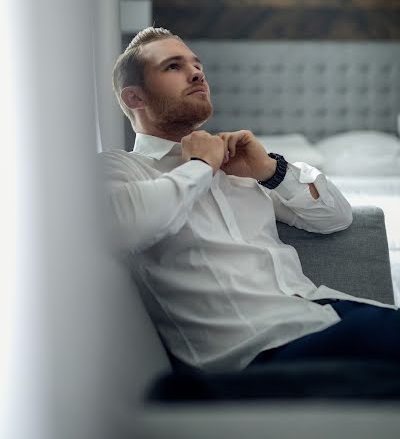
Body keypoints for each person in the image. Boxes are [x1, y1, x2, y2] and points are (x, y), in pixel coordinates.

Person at [99, 26, 399, 374]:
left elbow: (336, 217)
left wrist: (271, 170)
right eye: (173, 66)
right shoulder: (120, 168)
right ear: (134, 97)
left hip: (324, 315)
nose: (197, 73)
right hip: (259, 349)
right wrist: (200, 166)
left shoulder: (236, 165)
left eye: (197, 65)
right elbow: (129, 224)